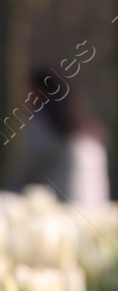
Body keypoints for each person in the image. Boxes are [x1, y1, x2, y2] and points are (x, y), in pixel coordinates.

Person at [18, 69, 109, 206]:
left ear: (39, 91)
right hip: (95, 212)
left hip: (60, 213)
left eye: (28, 90)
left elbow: (26, 171)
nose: (23, 96)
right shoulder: (88, 130)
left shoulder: (40, 126)